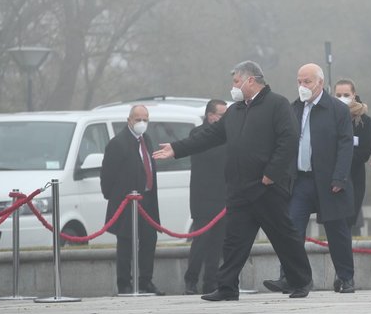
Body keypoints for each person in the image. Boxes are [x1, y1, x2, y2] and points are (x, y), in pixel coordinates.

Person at [153, 61, 313, 300]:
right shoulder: (235, 111)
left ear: (250, 80)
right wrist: (176, 149)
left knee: (284, 236)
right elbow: (210, 136)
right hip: (240, 187)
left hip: (267, 187)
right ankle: (227, 287)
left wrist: (272, 173)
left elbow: (288, 140)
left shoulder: (277, 104)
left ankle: (301, 281)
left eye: (236, 81)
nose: (233, 87)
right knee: (234, 241)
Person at [266, 63, 356, 294]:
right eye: (299, 81)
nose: (302, 86)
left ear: (320, 83)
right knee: (291, 230)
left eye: (307, 81)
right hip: (300, 181)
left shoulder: (337, 109)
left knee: (337, 232)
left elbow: (346, 146)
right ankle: (290, 277)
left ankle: (345, 278)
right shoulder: (293, 108)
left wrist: (340, 178)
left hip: (329, 180)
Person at [101, 105, 163, 295]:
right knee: (126, 243)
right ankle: (124, 283)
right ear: (129, 120)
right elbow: (107, 176)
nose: (141, 123)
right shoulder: (118, 143)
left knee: (149, 240)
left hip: (147, 201)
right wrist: (115, 197)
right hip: (126, 202)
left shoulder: (147, 140)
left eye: (145, 119)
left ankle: (145, 280)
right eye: (138, 119)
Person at [183, 99, 228, 295]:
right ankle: (191, 280)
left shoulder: (226, 135)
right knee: (200, 242)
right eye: (221, 115)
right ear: (211, 116)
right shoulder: (198, 134)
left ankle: (211, 282)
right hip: (203, 198)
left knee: (217, 244)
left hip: (222, 198)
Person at [334, 79, 371, 234]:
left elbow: (364, 152)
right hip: (332, 177)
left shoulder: (363, 121)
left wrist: (343, 156)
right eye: (338, 95)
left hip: (354, 178)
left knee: (348, 223)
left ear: (354, 95)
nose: (342, 97)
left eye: (346, 94)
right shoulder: (328, 117)